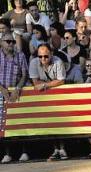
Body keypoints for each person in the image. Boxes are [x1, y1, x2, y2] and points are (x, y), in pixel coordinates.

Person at [29, 44, 68, 160]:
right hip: (43, 97)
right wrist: (52, 84)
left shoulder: (58, 61)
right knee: (48, 122)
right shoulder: (33, 62)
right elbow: (35, 83)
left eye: (46, 56)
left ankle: (62, 149)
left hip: (58, 96)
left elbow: (61, 81)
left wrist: (45, 84)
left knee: (59, 122)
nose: (43, 59)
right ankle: (56, 149)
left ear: (51, 54)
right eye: (40, 56)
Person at [0, 33, 28, 164]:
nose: (11, 44)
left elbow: (24, 74)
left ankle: (24, 151)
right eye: (8, 41)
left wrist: (17, 88)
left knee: (20, 122)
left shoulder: (20, 55)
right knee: (4, 124)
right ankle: (7, 153)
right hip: (2, 93)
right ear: (1, 42)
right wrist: (2, 89)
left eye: (12, 41)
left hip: (17, 92)